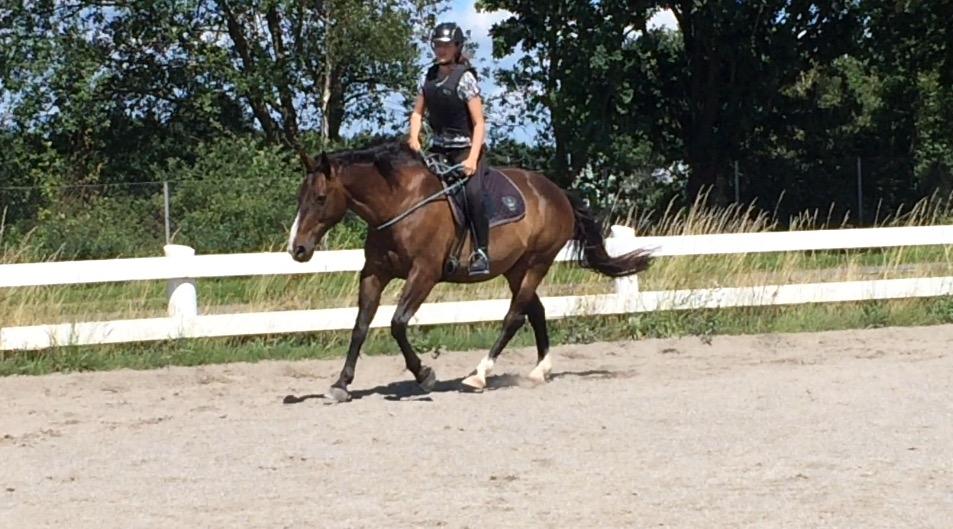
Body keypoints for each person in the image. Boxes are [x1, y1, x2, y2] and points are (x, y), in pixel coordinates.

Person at [408, 21, 491, 276]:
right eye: (438, 45)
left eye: (446, 45)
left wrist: (473, 159)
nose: (441, 50)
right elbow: (417, 112)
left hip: (466, 150)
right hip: (438, 150)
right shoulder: (429, 76)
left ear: (457, 47)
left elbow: (479, 123)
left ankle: (481, 251)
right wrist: (414, 138)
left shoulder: (465, 79)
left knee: (473, 195)